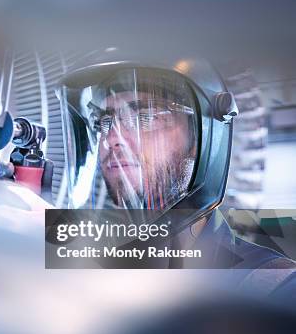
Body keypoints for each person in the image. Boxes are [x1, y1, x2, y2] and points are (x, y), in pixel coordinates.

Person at [53, 50, 296, 286]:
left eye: (145, 118)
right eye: (104, 122)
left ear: (202, 138)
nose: (111, 138)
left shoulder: (270, 284)